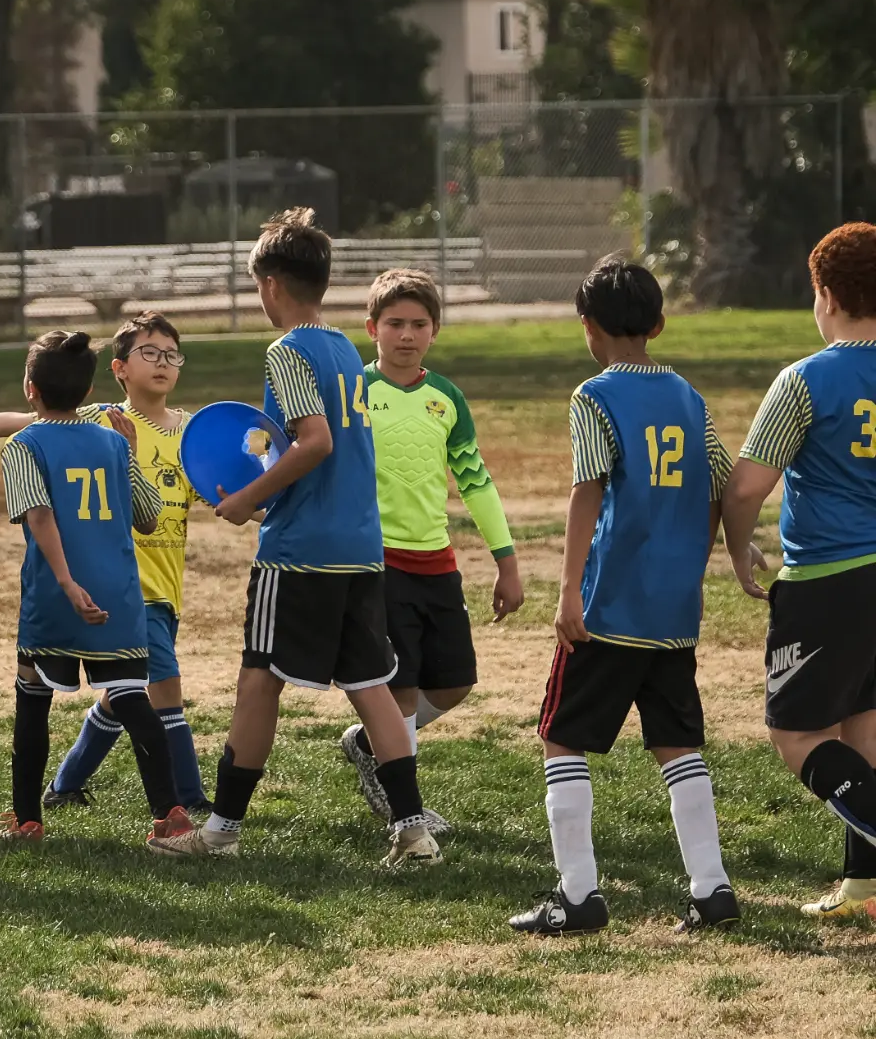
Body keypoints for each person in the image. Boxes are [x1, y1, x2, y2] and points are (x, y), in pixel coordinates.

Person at [509, 256, 738, 937]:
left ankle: (578, 895)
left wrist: (570, 590)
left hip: (611, 604)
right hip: (674, 607)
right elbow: (722, 481)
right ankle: (712, 887)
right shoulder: (688, 397)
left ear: (588, 326)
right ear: (659, 324)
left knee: (560, 737)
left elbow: (589, 488)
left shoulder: (595, 396)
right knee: (678, 744)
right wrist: (725, 551)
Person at [208, 209, 439, 867]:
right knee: (369, 687)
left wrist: (247, 499)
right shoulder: (341, 346)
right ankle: (413, 829)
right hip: (360, 547)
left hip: (301, 550)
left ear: (273, 284)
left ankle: (222, 829)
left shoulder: (287, 351)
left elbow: (315, 441)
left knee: (259, 682)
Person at [0, 312, 208, 818]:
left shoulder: (28, 445)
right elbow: (146, 515)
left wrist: (67, 580)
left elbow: (40, 515)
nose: (161, 363)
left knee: (34, 696)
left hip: (59, 590)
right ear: (98, 382)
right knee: (136, 697)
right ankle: (175, 810)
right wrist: (132, 457)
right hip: (124, 590)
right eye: (150, 353)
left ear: (31, 387)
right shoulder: (116, 437)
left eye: (169, 355)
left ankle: (28, 817)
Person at [722, 222, 876, 921]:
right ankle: (865, 888)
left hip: (830, 580)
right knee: (865, 732)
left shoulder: (807, 378)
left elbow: (749, 486)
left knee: (798, 734)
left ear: (825, 294)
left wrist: (735, 544)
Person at [339, 269, 523, 831]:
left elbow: (475, 481)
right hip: (379, 562)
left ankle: (369, 744)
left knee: (455, 683)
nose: (406, 334)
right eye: (394, 323)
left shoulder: (446, 398)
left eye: (418, 323)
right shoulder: (356, 393)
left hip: (437, 562)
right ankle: (406, 814)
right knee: (401, 689)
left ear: (435, 331)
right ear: (372, 327)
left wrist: (506, 561)